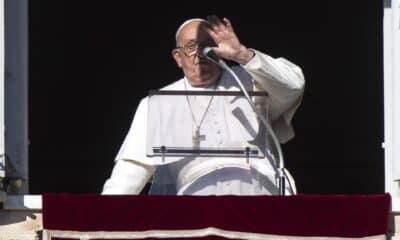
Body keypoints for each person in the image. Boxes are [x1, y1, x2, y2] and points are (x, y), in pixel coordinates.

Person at [102, 15, 305, 195]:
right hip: (197, 201)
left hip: (260, 192)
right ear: (178, 57)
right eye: (191, 46)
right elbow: (131, 168)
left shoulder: (250, 79)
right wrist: (103, 217)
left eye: (207, 45)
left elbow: (293, 86)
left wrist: (242, 55)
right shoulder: (158, 102)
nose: (200, 53)